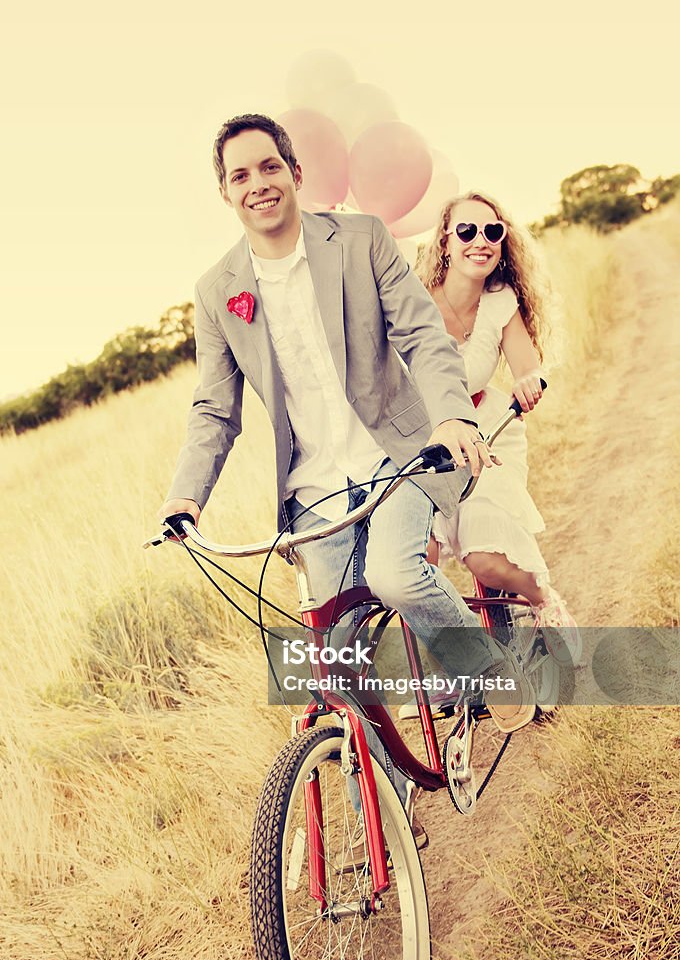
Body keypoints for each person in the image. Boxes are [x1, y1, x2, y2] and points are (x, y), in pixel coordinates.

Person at [159, 115, 535, 851]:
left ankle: (492, 670)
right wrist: (185, 495)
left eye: (269, 167)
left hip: (395, 457)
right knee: (338, 660)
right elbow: (214, 408)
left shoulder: (358, 240)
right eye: (240, 176)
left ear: (295, 173)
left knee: (397, 577)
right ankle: (388, 823)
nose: (258, 184)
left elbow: (424, 336)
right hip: (314, 490)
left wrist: (451, 418)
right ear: (225, 194)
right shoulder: (218, 292)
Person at [414, 191, 580, 667]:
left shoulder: (500, 301)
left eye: (492, 231)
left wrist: (529, 381)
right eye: (467, 231)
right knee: (415, 563)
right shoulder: (416, 303)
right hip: (429, 442)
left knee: (483, 559)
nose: (480, 241)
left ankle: (542, 595)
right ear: (445, 242)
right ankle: (454, 665)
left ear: (503, 242)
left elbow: (526, 364)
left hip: (489, 431)